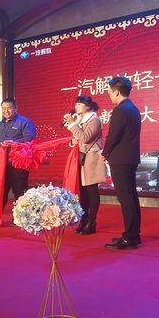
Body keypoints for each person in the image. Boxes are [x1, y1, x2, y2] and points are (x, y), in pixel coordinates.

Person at [100, 77, 142, 250]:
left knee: (125, 198)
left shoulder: (120, 110)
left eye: (109, 92)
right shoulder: (133, 109)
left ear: (116, 92)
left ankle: (129, 238)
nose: (109, 95)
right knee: (131, 197)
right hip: (130, 158)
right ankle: (134, 234)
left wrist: (105, 153)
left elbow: (113, 136)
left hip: (120, 160)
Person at [64, 95, 107, 235]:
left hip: (92, 159)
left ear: (88, 106)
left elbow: (85, 138)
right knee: (82, 191)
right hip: (81, 158)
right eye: (76, 103)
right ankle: (83, 219)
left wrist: (72, 124)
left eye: (80, 104)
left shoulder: (94, 120)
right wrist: (72, 140)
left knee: (91, 190)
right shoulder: (79, 120)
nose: (76, 106)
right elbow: (77, 139)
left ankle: (91, 221)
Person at [0, 98, 36, 217]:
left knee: (19, 190)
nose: (6, 111)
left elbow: (30, 137)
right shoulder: (0, 124)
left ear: (16, 109)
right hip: (2, 163)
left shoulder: (24, 122)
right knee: (1, 190)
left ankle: (20, 217)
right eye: (3, 108)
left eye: (9, 108)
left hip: (18, 163)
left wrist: (14, 143)